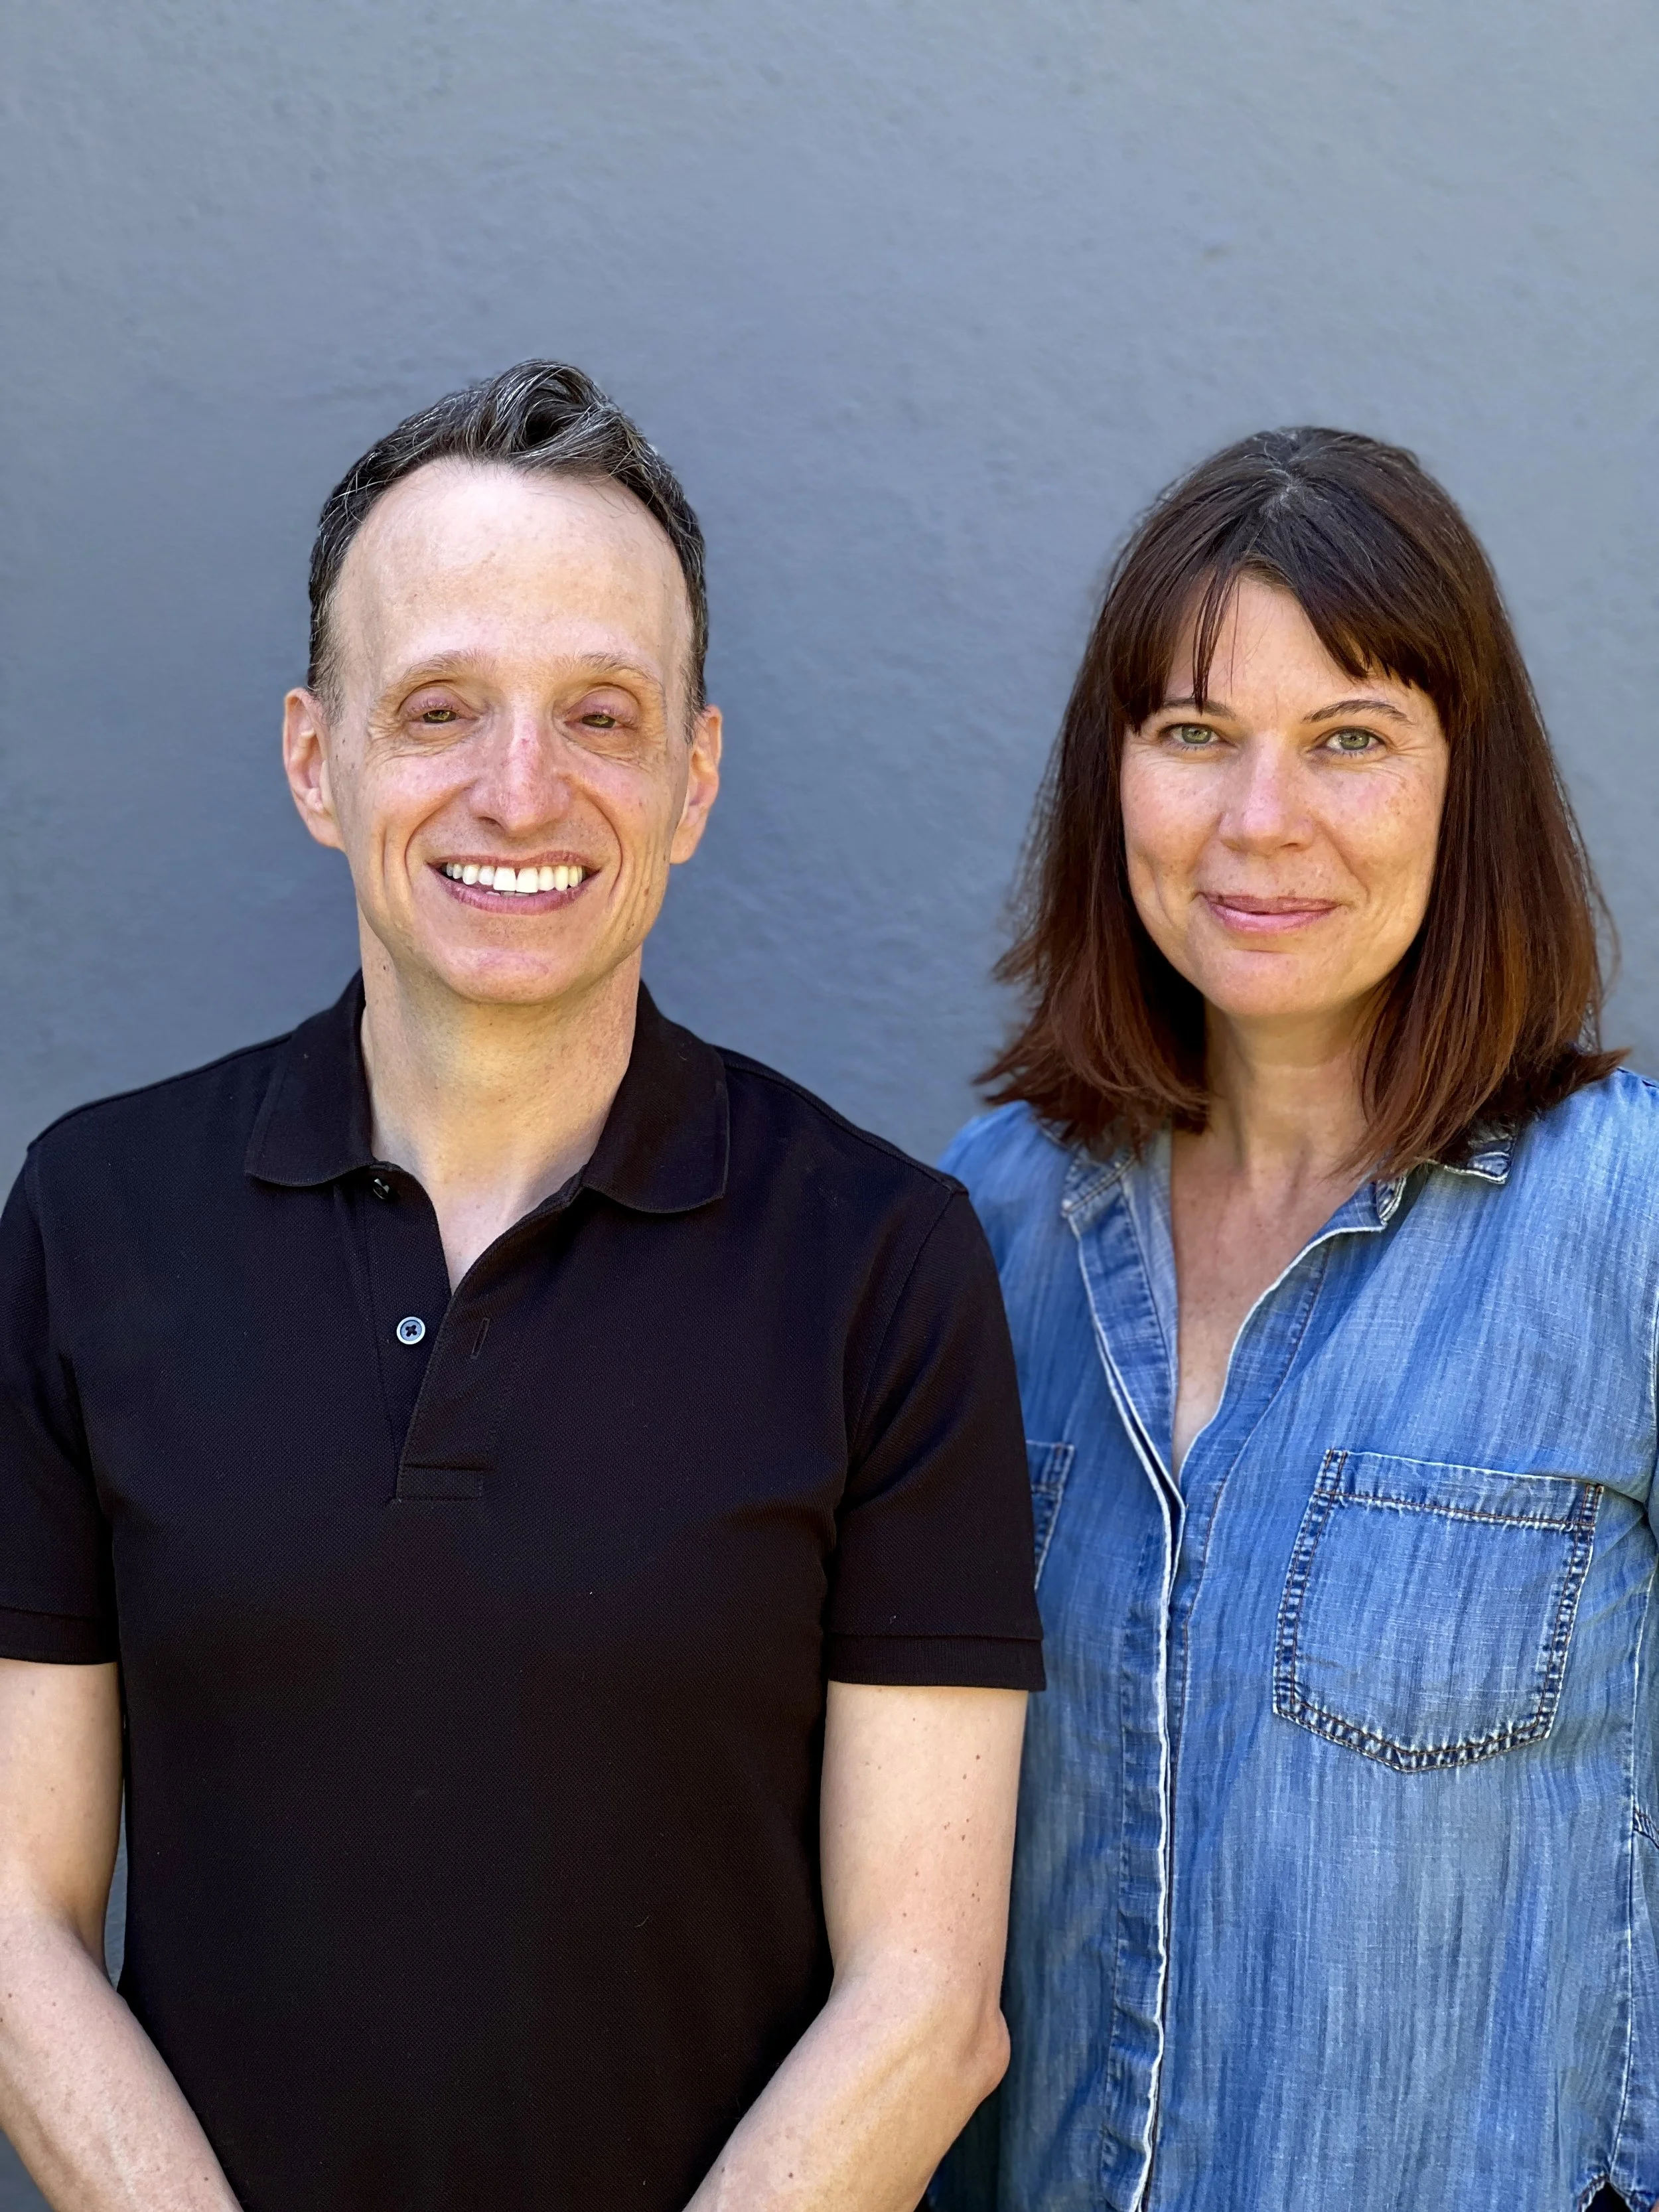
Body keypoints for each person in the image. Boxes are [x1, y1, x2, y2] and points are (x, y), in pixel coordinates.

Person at [0, 360, 1043, 2212]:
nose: (519, 788)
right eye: (440, 708)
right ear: (318, 761)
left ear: (693, 778)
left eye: (600, 714)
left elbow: (927, 1999)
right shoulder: (97, 1218)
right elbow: (14, 1914)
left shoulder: (880, 1263)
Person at [932, 428, 1650, 2212]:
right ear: (1115, 781)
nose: (1263, 822)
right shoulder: (987, 1224)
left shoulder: (1619, 1223)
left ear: (1459, 789)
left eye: (1349, 740)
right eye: (1194, 737)